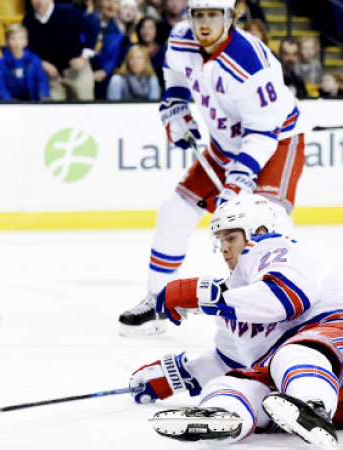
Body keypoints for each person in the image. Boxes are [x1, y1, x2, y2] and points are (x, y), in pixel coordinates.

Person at [117, 0, 306, 336]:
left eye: (213, 15)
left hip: (275, 142)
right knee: (174, 212)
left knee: (270, 222)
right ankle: (158, 300)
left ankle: (287, 310)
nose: (204, 24)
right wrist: (175, 105)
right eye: (198, 15)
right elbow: (175, 73)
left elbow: (263, 133)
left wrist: (237, 182)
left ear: (229, 18)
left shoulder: (251, 63)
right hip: (224, 143)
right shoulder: (181, 36)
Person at [129, 195, 342, 448]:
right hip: (325, 390)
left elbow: (285, 298)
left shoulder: (278, 249)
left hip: (331, 346)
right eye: (220, 241)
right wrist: (180, 374)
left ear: (259, 231)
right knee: (231, 383)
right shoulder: (235, 300)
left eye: (231, 238)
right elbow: (230, 360)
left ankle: (311, 405)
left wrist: (207, 296)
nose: (224, 249)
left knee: (293, 353)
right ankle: (226, 418)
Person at [23, 0, 96, 100]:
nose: (39, 1)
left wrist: (83, 57)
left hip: (77, 70)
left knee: (85, 105)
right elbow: (27, 48)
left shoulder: (68, 11)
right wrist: (42, 63)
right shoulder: (29, 19)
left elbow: (91, 29)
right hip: (52, 75)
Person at [0, 24, 50, 101]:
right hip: (9, 105)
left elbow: (41, 80)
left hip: (32, 103)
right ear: (7, 41)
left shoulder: (34, 60)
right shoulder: (0, 62)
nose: (17, 42)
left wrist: (44, 96)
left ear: (26, 41)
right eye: (13, 38)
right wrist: (9, 101)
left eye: (21, 38)